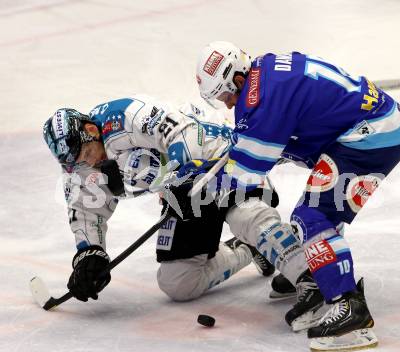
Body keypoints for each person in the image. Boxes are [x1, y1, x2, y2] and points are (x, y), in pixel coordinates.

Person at [193, 41, 400, 352]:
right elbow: (280, 132)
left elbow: (246, 174)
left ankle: (349, 307)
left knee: (312, 217)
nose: (228, 105)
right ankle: (324, 275)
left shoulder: (260, 101)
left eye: (227, 96)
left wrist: (199, 181)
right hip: (373, 126)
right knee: (322, 209)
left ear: (238, 81)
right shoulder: (266, 70)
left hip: (370, 137)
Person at [42, 95, 279, 304]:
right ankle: (247, 248)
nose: (89, 163)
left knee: (248, 220)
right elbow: (85, 211)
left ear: (91, 131)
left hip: (219, 161)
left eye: (87, 155)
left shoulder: (125, 116)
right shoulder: (80, 163)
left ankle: (291, 253)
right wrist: (90, 254)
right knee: (179, 283)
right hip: (182, 191)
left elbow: (185, 134)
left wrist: (184, 178)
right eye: (81, 162)